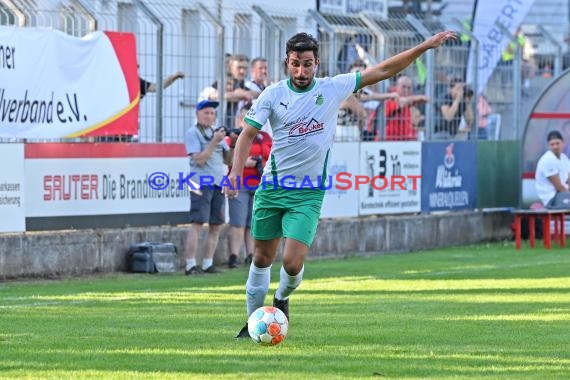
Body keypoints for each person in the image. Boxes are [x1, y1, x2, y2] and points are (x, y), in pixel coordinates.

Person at [226, 30, 457, 338]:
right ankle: (251, 322)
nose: (301, 71)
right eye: (295, 64)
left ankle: (282, 299)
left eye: (307, 64)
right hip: (272, 188)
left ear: (317, 63)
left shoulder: (333, 88)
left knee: (293, 264)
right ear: (286, 63)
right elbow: (247, 135)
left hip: (308, 192)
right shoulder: (272, 94)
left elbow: (383, 70)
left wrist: (425, 47)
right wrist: (235, 172)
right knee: (261, 258)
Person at [183, 99, 232, 275]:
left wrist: (232, 143)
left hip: (219, 182)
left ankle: (207, 263)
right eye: (206, 113)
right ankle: (190, 265)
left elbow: (228, 160)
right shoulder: (193, 132)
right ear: (197, 114)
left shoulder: (216, 132)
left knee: (216, 225)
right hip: (199, 182)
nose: (209, 116)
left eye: (212, 113)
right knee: (197, 223)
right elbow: (199, 159)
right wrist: (214, 142)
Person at [226, 105, 273, 268]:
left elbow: (272, 157)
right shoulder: (233, 136)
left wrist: (261, 163)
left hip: (260, 184)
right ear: (240, 120)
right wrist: (246, 162)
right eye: (247, 118)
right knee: (238, 222)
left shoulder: (265, 136)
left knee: (253, 223)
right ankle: (234, 256)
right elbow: (228, 159)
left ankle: (251, 255)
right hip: (240, 183)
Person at [200, 54, 259, 128]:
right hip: (216, 130)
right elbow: (213, 95)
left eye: (245, 68)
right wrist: (239, 94)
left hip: (236, 130)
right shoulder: (222, 83)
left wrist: (241, 94)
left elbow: (257, 94)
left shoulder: (246, 84)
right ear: (230, 67)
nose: (242, 71)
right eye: (239, 67)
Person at [384, 75, 428, 141]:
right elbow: (401, 102)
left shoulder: (410, 100)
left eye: (409, 88)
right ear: (397, 87)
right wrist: (417, 98)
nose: (406, 90)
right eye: (403, 87)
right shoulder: (391, 98)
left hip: (406, 140)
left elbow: (426, 99)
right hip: (390, 140)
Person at [535, 130, 570, 208]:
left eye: (557, 143)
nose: (555, 147)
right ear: (548, 145)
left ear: (563, 143)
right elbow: (559, 187)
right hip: (552, 199)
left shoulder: (564, 158)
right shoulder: (548, 160)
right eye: (552, 144)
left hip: (563, 194)